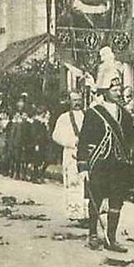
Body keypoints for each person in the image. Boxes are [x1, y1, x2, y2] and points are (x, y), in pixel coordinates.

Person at [77, 57, 134, 253]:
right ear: (104, 90)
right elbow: (84, 141)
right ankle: (93, 234)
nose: (117, 93)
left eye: (119, 90)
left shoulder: (125, 115)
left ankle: (111, 238)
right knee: (96, 198)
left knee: (116, 201)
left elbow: (131, 140)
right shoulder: (93, 113)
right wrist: (83, 166)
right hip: (99, 164)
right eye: (114, 89)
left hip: (119, 165)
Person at [52, 91, 88, 227]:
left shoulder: (87, 115)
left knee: (87, 184)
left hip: (86, 155)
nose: (77, 103)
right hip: (71, 153)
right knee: (74, 184)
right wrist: (72, 141)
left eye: (79, 100)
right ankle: (77, 214)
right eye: (74, 100)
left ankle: (88, 214)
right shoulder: (64, 118)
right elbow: (56, 135)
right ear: (69, 101)